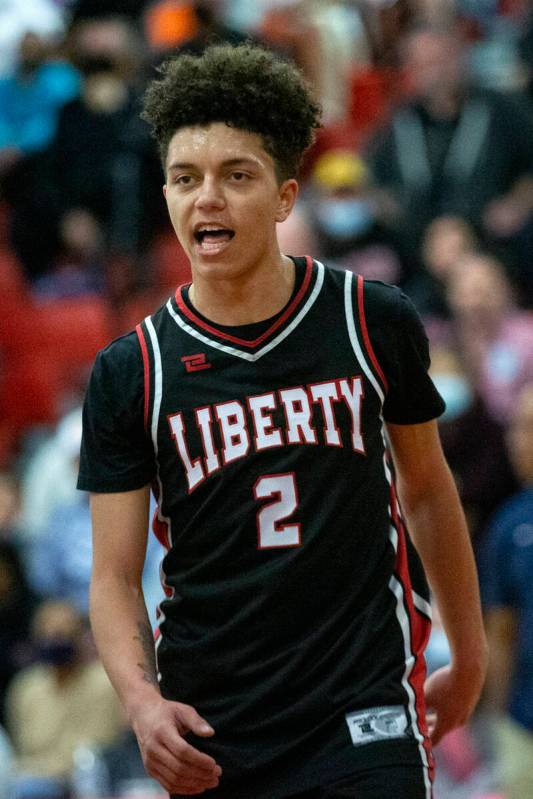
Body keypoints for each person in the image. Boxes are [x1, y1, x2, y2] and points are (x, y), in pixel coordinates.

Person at [78, 43, 487, 799]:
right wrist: (140, 704)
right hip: (217, 716)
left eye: (236, 176)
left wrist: (467, 653)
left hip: (361, 696)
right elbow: (111, 575)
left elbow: (427, 491)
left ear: (284, 196)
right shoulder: (132, 371)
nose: (207, 198)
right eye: (185, 178)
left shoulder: (370, 319)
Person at [480, 382, 533, 799]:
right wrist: (499, 721)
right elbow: (500, 631)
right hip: (523, 722)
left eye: (530, 428)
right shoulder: (507, 526)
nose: (521, 442)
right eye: (516, 429)